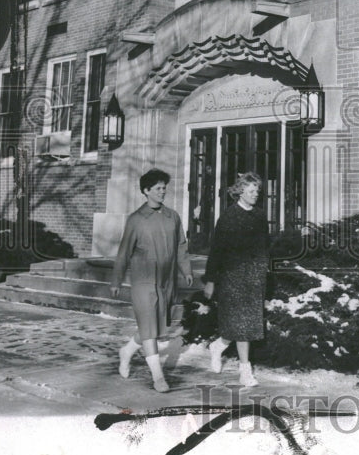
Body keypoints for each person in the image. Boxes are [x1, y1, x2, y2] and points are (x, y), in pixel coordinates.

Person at [110, 168, 193, 393]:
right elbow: (124, 252)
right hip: (143, 280)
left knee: (154, 328)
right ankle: (158, 377)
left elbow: (181, 246)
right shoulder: (136, 220)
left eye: (164, 188)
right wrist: (116, 281)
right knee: (149, 326)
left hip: (166, 281)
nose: (162, 192)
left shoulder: (172, 216)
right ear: (146, 191)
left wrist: (186, 269)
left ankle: (126, 351)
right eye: (157, 188)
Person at [203, 171, 269, 388]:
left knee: (242, 325)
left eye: (257, 190)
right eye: (250, 191)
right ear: (240, 192)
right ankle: (245, 371)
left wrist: (264, 271)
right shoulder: (229, 217)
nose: (255, 194)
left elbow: (264, 247)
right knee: (242, 325)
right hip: (233, 277)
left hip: (254, 277)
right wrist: (211, 280)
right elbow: (217, 251)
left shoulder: (259, 216)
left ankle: (218, 346)